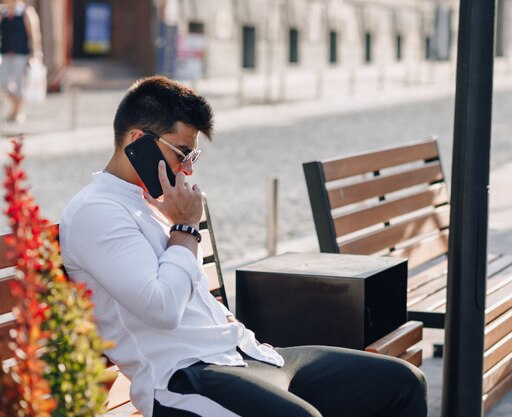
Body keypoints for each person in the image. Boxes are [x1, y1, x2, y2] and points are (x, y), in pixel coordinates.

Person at [59, 76, 428, 417]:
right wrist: (186, 227)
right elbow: (162, 309)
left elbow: (191, 293)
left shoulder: (156, 203)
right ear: (138, 142)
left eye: (193, 157)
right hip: (183, 378)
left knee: (403, 383)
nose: (187, 170)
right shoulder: (98, 211)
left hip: (244, 353)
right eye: (181, 154)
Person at [0, 0, 42, 123]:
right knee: (3, 83)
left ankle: (17, 112)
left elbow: (33, 34)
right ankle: (16, 108)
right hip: (6, 54)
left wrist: (36, 52)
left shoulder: (25, 12)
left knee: (19, 85)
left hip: (21, 54)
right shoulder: (4, 12)